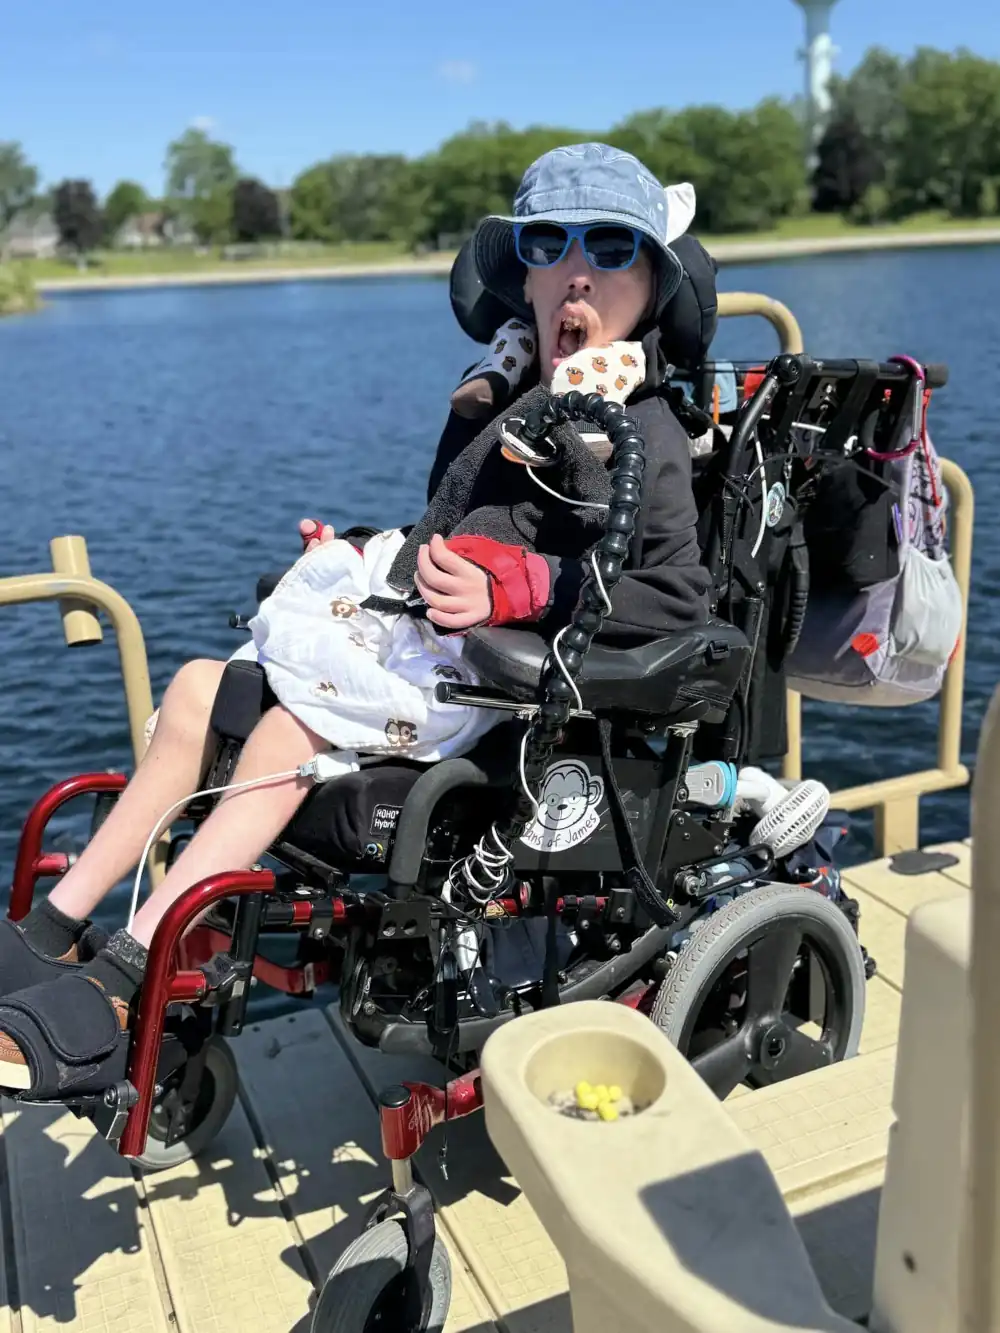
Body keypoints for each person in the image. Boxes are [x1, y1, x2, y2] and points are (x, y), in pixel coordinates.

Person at [0, 142, 712, 1096]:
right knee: (201, 690)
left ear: (653, 281)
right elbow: (450, 525)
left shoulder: (647, 428)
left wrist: (528, 587)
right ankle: (53, 928)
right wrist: (364, 552)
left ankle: (128, 976)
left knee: (290, 724)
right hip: (426, 639)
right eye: (551, 243)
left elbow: (674, 596)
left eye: (613, 248)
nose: (577, 271)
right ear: (526, 274)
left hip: (506, 686)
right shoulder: (503, 398)